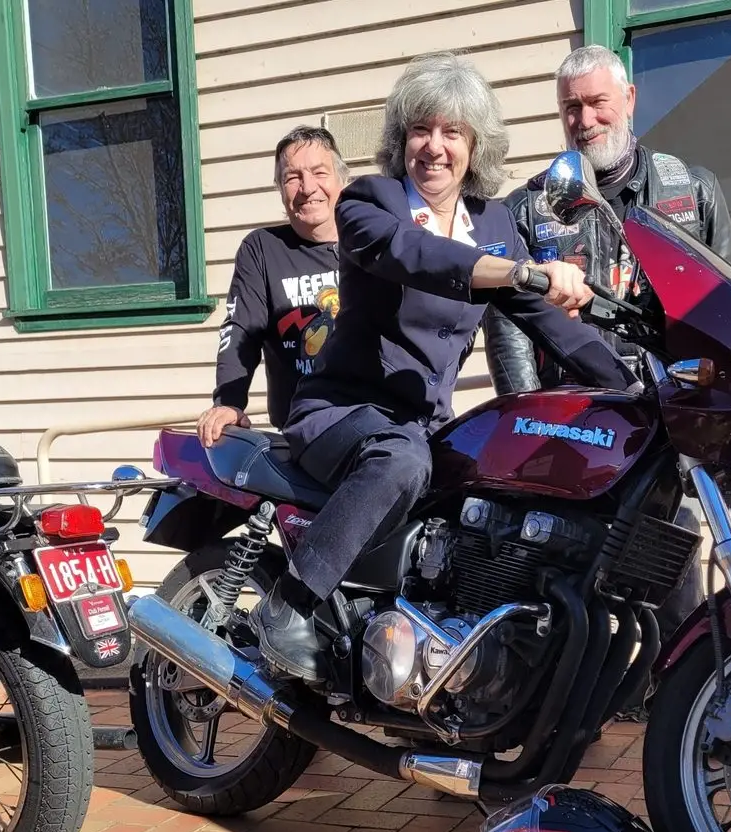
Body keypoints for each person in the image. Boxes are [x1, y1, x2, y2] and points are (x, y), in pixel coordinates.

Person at [250, 53, 639, 687]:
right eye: (421, 130)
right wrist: (516, 271)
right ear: (401, 137)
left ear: (474, 145)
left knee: (491, 499)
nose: (434, 147)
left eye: (452, 132)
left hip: (424, 422)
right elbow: (414, 255)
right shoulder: (368, 202)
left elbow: (552, 323)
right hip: (342, 412)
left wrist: (635, 388)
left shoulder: (493, 224)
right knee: (402, 461)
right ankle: (290, 603)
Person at [486, 45, 731, 704]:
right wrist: (527, 415)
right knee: (549, 576)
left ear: (629, 100)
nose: (585, 117)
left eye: (598, 101)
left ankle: (690, 713)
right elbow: (508, 320)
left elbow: (725, 311)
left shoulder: (694, 190)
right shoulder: (530, 207)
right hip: (569, 429)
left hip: (662, 429)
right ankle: (537, 716)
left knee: (673, 574)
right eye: (571, 106)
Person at [197, 125, 349, 447]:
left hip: (375, 417)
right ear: (280, 189)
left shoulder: (371, 241)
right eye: (292, 177)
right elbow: (241, 330)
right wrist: (229, 401)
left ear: (341, 179)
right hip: (305, 431)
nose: (307, 188)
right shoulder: (263, 249)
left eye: (319, 172)